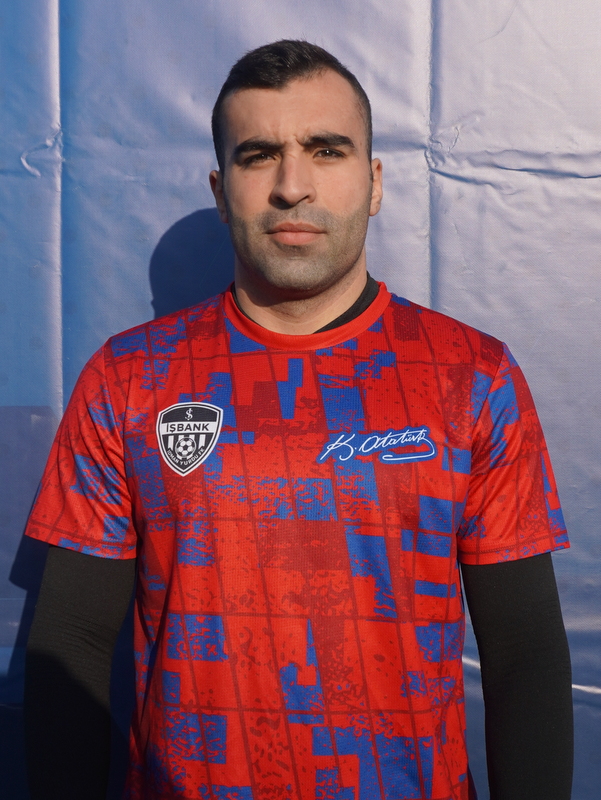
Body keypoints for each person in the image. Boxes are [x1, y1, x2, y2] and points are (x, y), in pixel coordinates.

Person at [24, 40, 573, 800]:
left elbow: (523, 655)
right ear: (221, 190)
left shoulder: (472, 377)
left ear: (374, 182)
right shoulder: (128, 378)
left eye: (326, 150)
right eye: (258, 155)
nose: (291, 186)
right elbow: (72, 643)